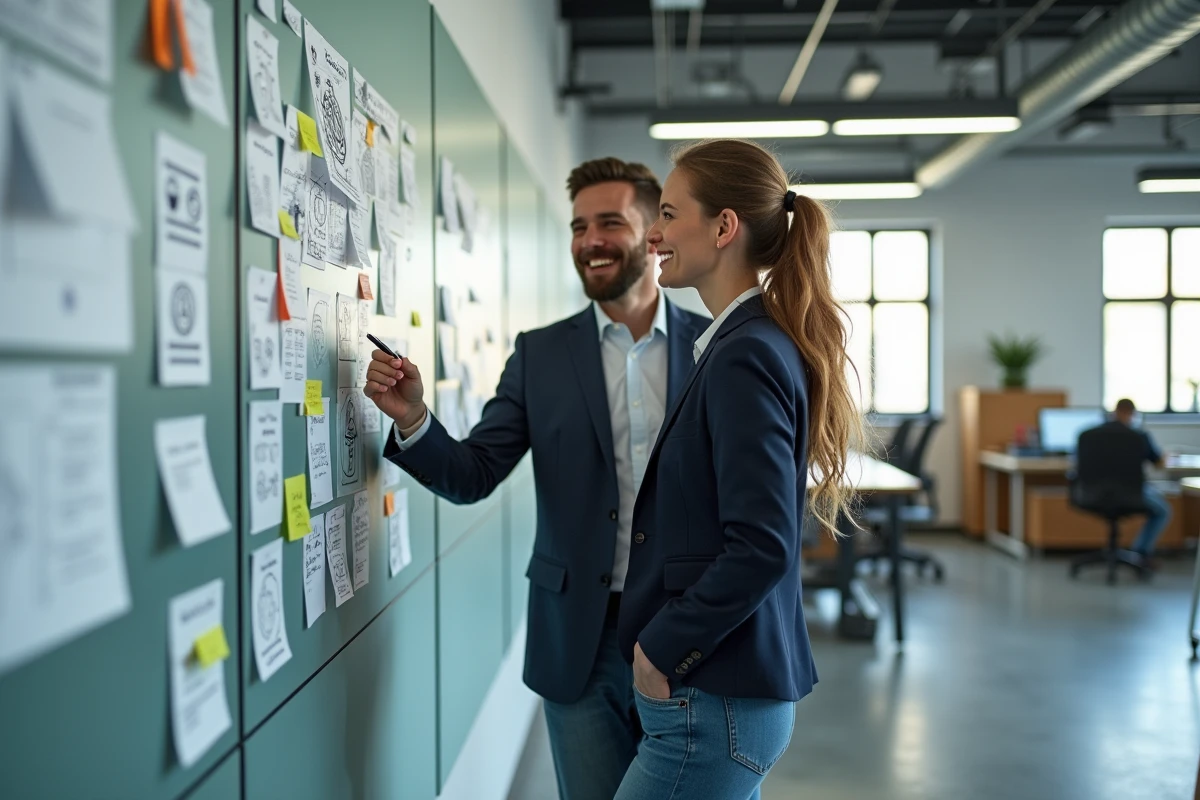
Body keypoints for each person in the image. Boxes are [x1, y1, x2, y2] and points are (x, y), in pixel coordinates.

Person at [363, 158, 710, 800]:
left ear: (653, 234)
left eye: (611, 222)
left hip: (686, 632)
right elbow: (474, 472)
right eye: (579, 226)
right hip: (576, 635)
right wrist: (414, 417)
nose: (590, 240)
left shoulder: (710, 346)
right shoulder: (541, 354)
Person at [614, 139, 862, 799]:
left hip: (712, 699)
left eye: (668, 213)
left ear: (725, 227)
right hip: (724, 698)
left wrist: (662, 646)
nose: (654, 234)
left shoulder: (745, 353)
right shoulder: (744, 342)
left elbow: (762, 544)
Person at [1109, 398, 1171, 565]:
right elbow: (1158, 464)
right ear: (1131, 414)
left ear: (1115, 412)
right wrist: (1166, 456)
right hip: (1132, 492)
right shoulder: (1139, 436)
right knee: (1163, 510)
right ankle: (1141, 552)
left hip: (1094, 493)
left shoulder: (1091, 435)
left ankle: (1139, 553)